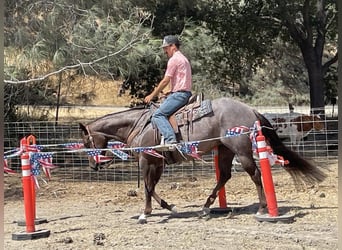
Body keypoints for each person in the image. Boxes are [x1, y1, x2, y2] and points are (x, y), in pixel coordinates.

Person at [144, 35, 192, 149]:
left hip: (179, 95)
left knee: (157, 115)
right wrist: (170, 91)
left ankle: (170, 140)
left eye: (166, 47)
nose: (165, 51)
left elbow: (166, 80)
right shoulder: (184, 59)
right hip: (183, 93)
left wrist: (152, 95)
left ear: (173, 46)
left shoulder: (174, 59)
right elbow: (182, 80)